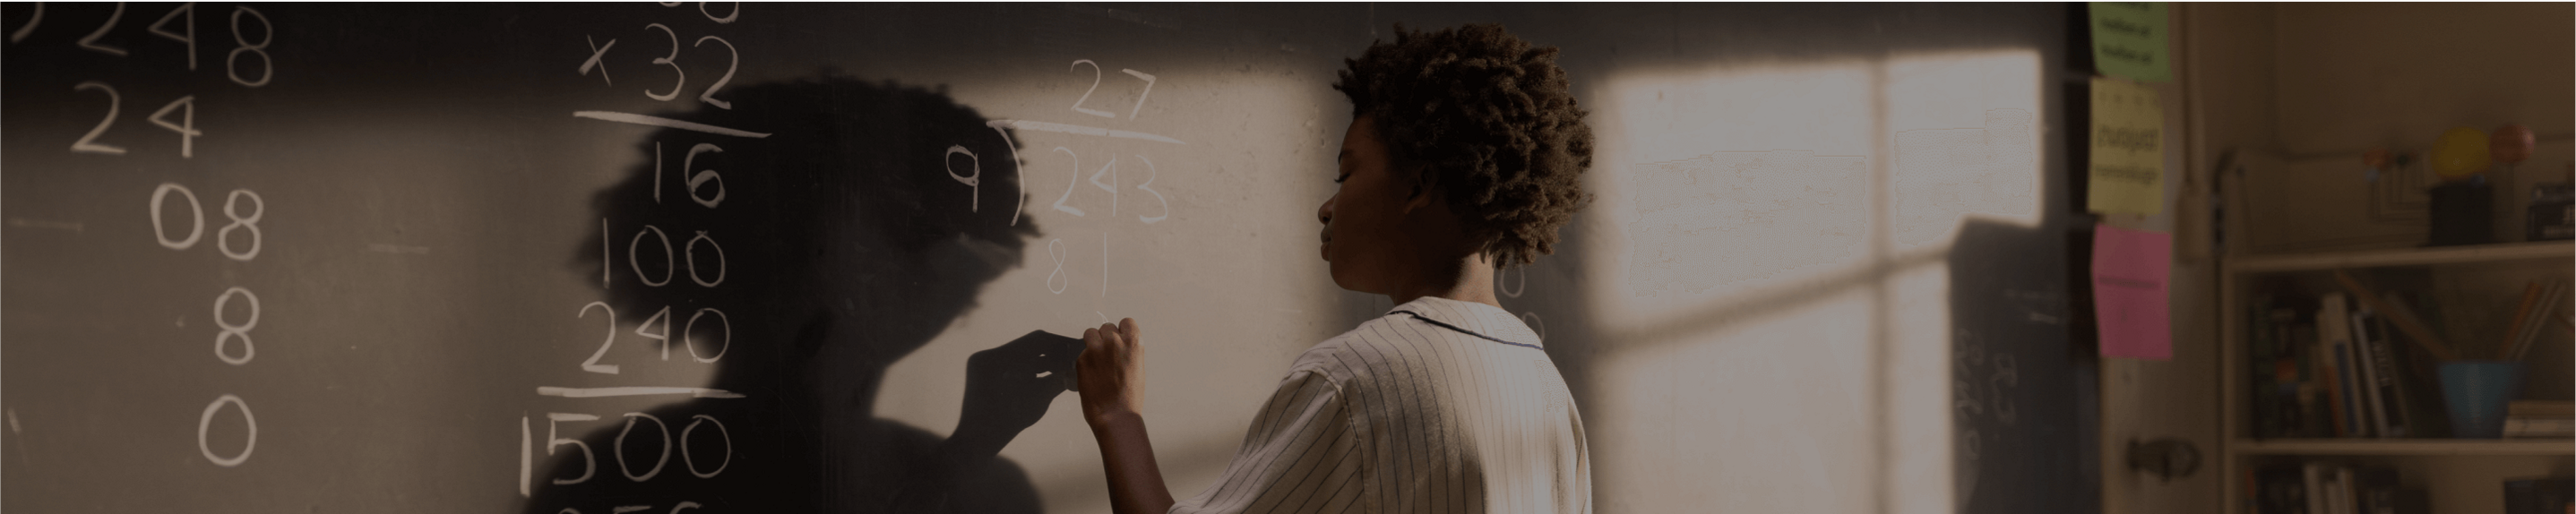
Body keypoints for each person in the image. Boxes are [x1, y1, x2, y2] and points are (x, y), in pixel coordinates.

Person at [1074, 23, 1598, 514]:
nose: (1327, 207)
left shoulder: (1356, 378)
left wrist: (1119, 417)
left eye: (1345, 175)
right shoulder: (1547, 387)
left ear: (1418, 186)